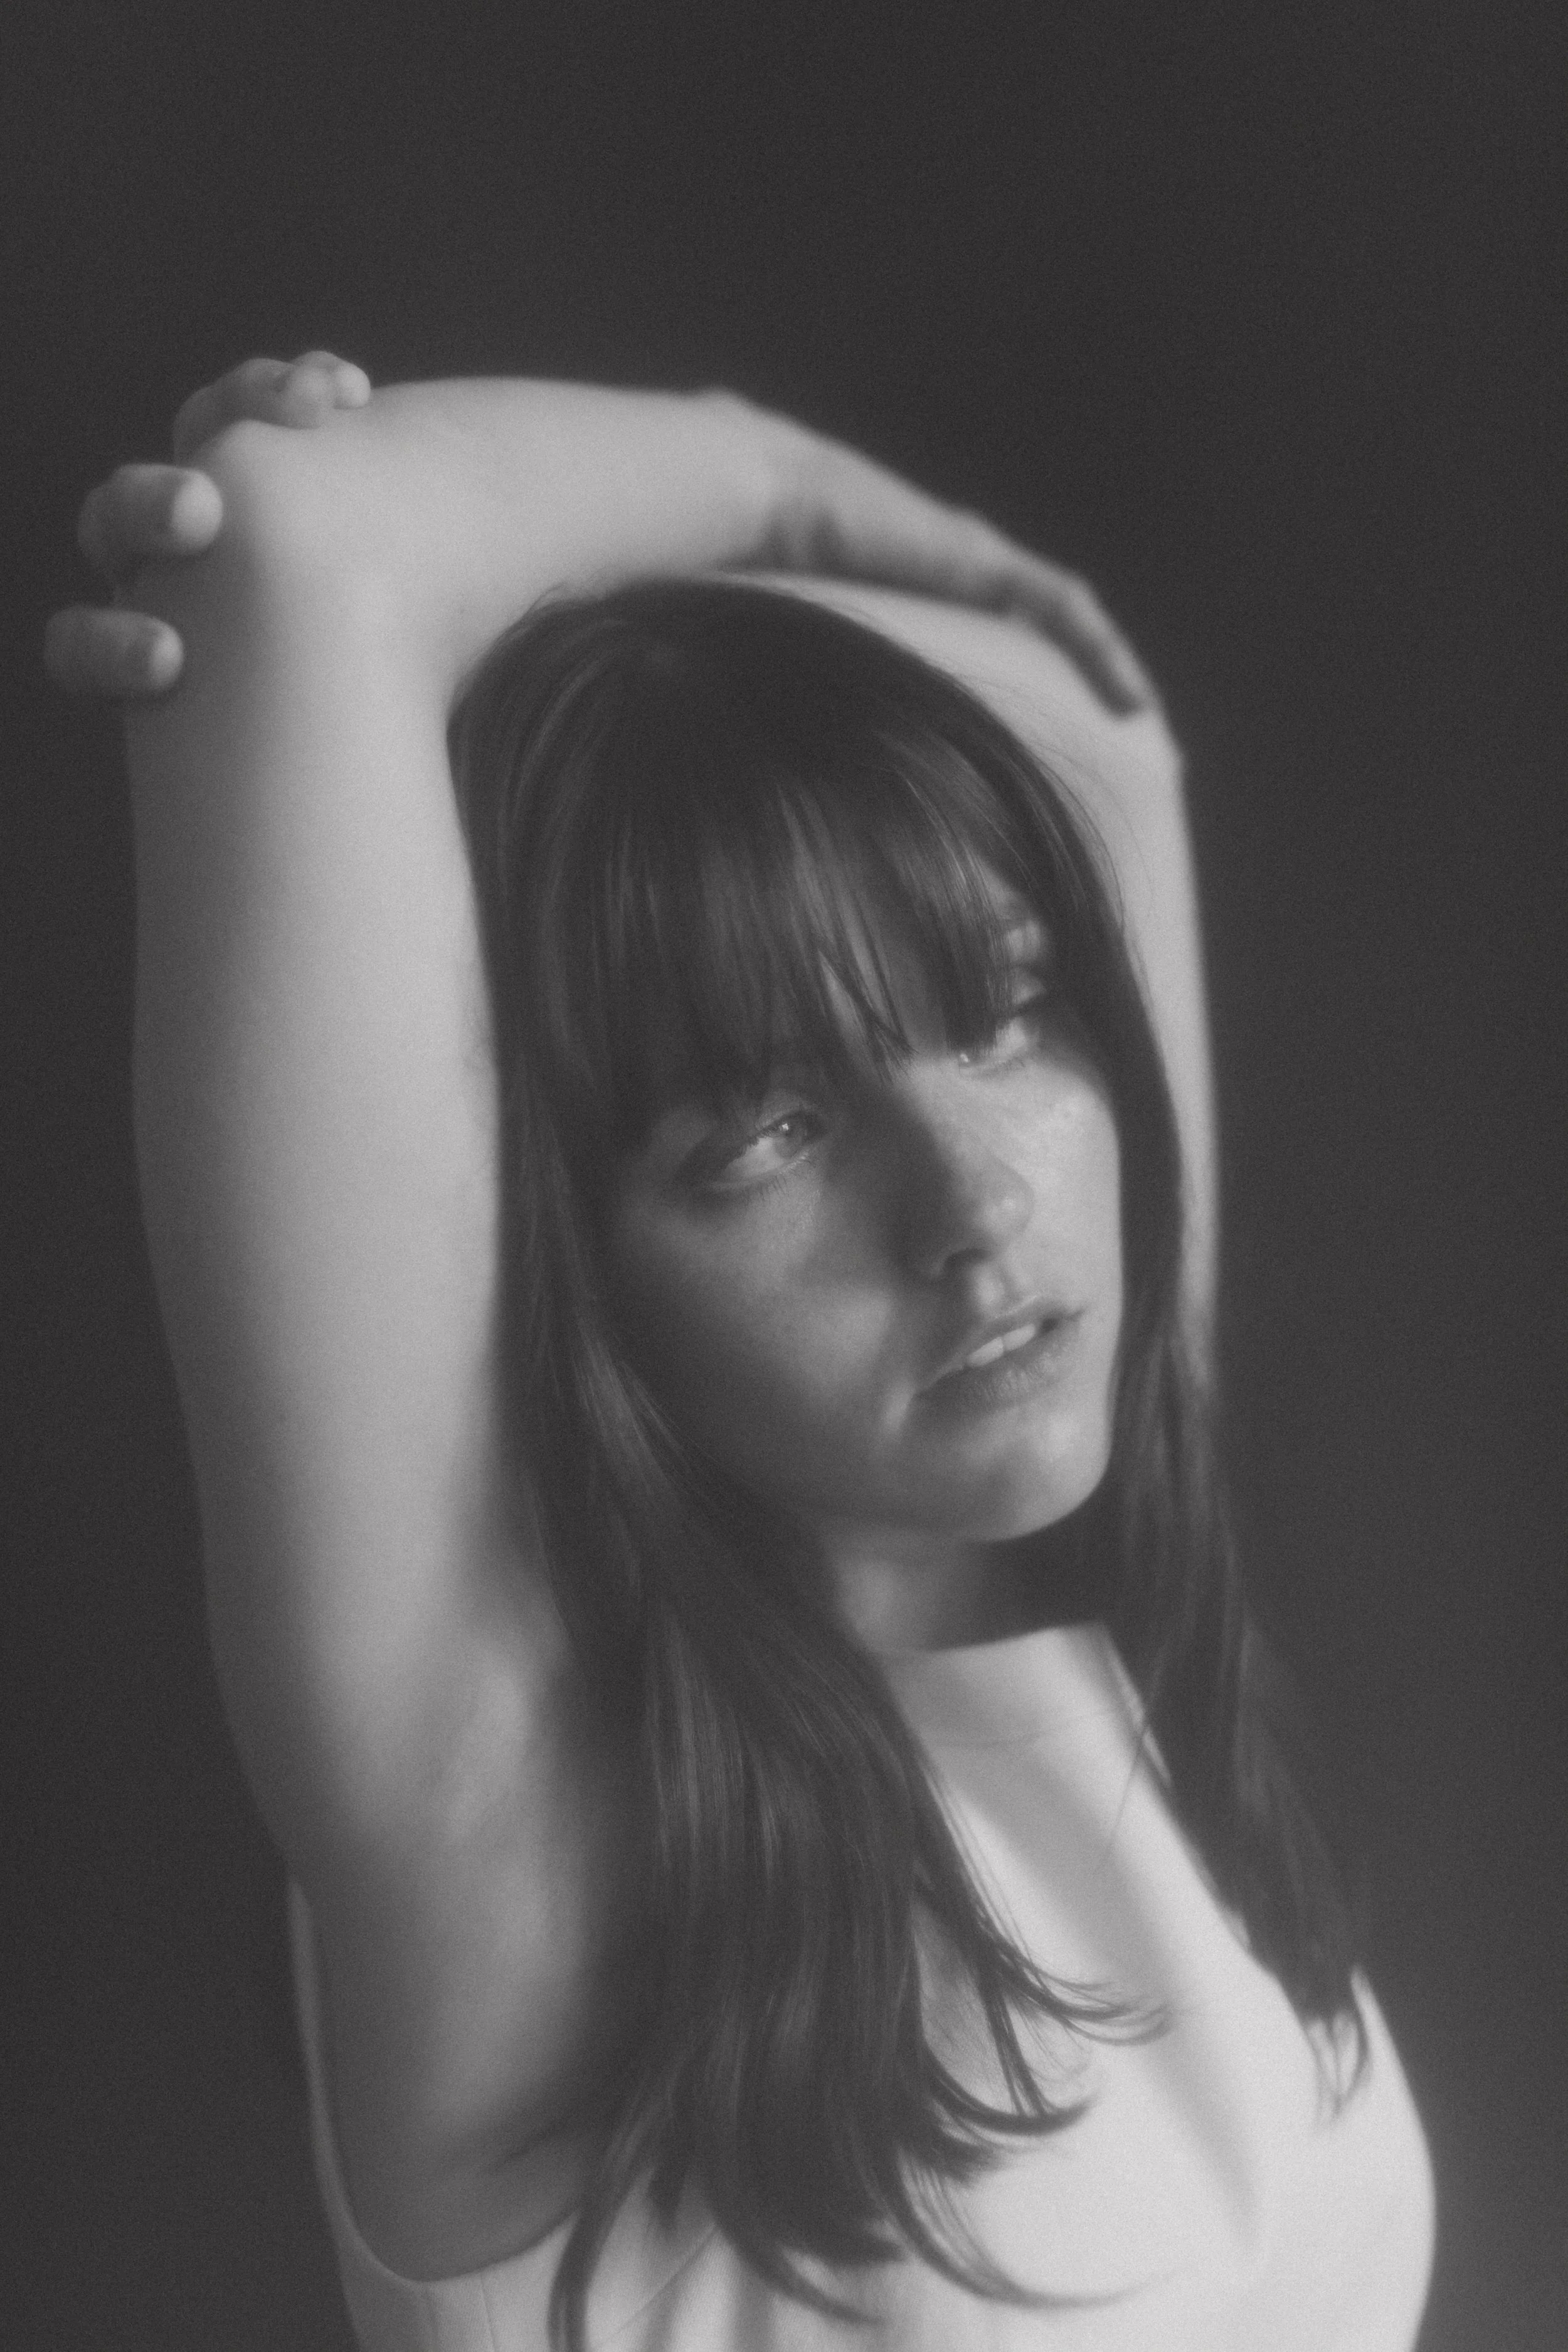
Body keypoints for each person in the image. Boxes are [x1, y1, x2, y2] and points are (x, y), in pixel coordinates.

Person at [48, 353, 1434, 2351]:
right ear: (560, 1262)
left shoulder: (1103, 1596)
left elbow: (1086, 728)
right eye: (764, 1134)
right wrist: (752, 489)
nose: (974, 1207)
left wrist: (614, 610)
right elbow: (297, 550)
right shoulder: (516, 1812)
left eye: (1008, 1016)